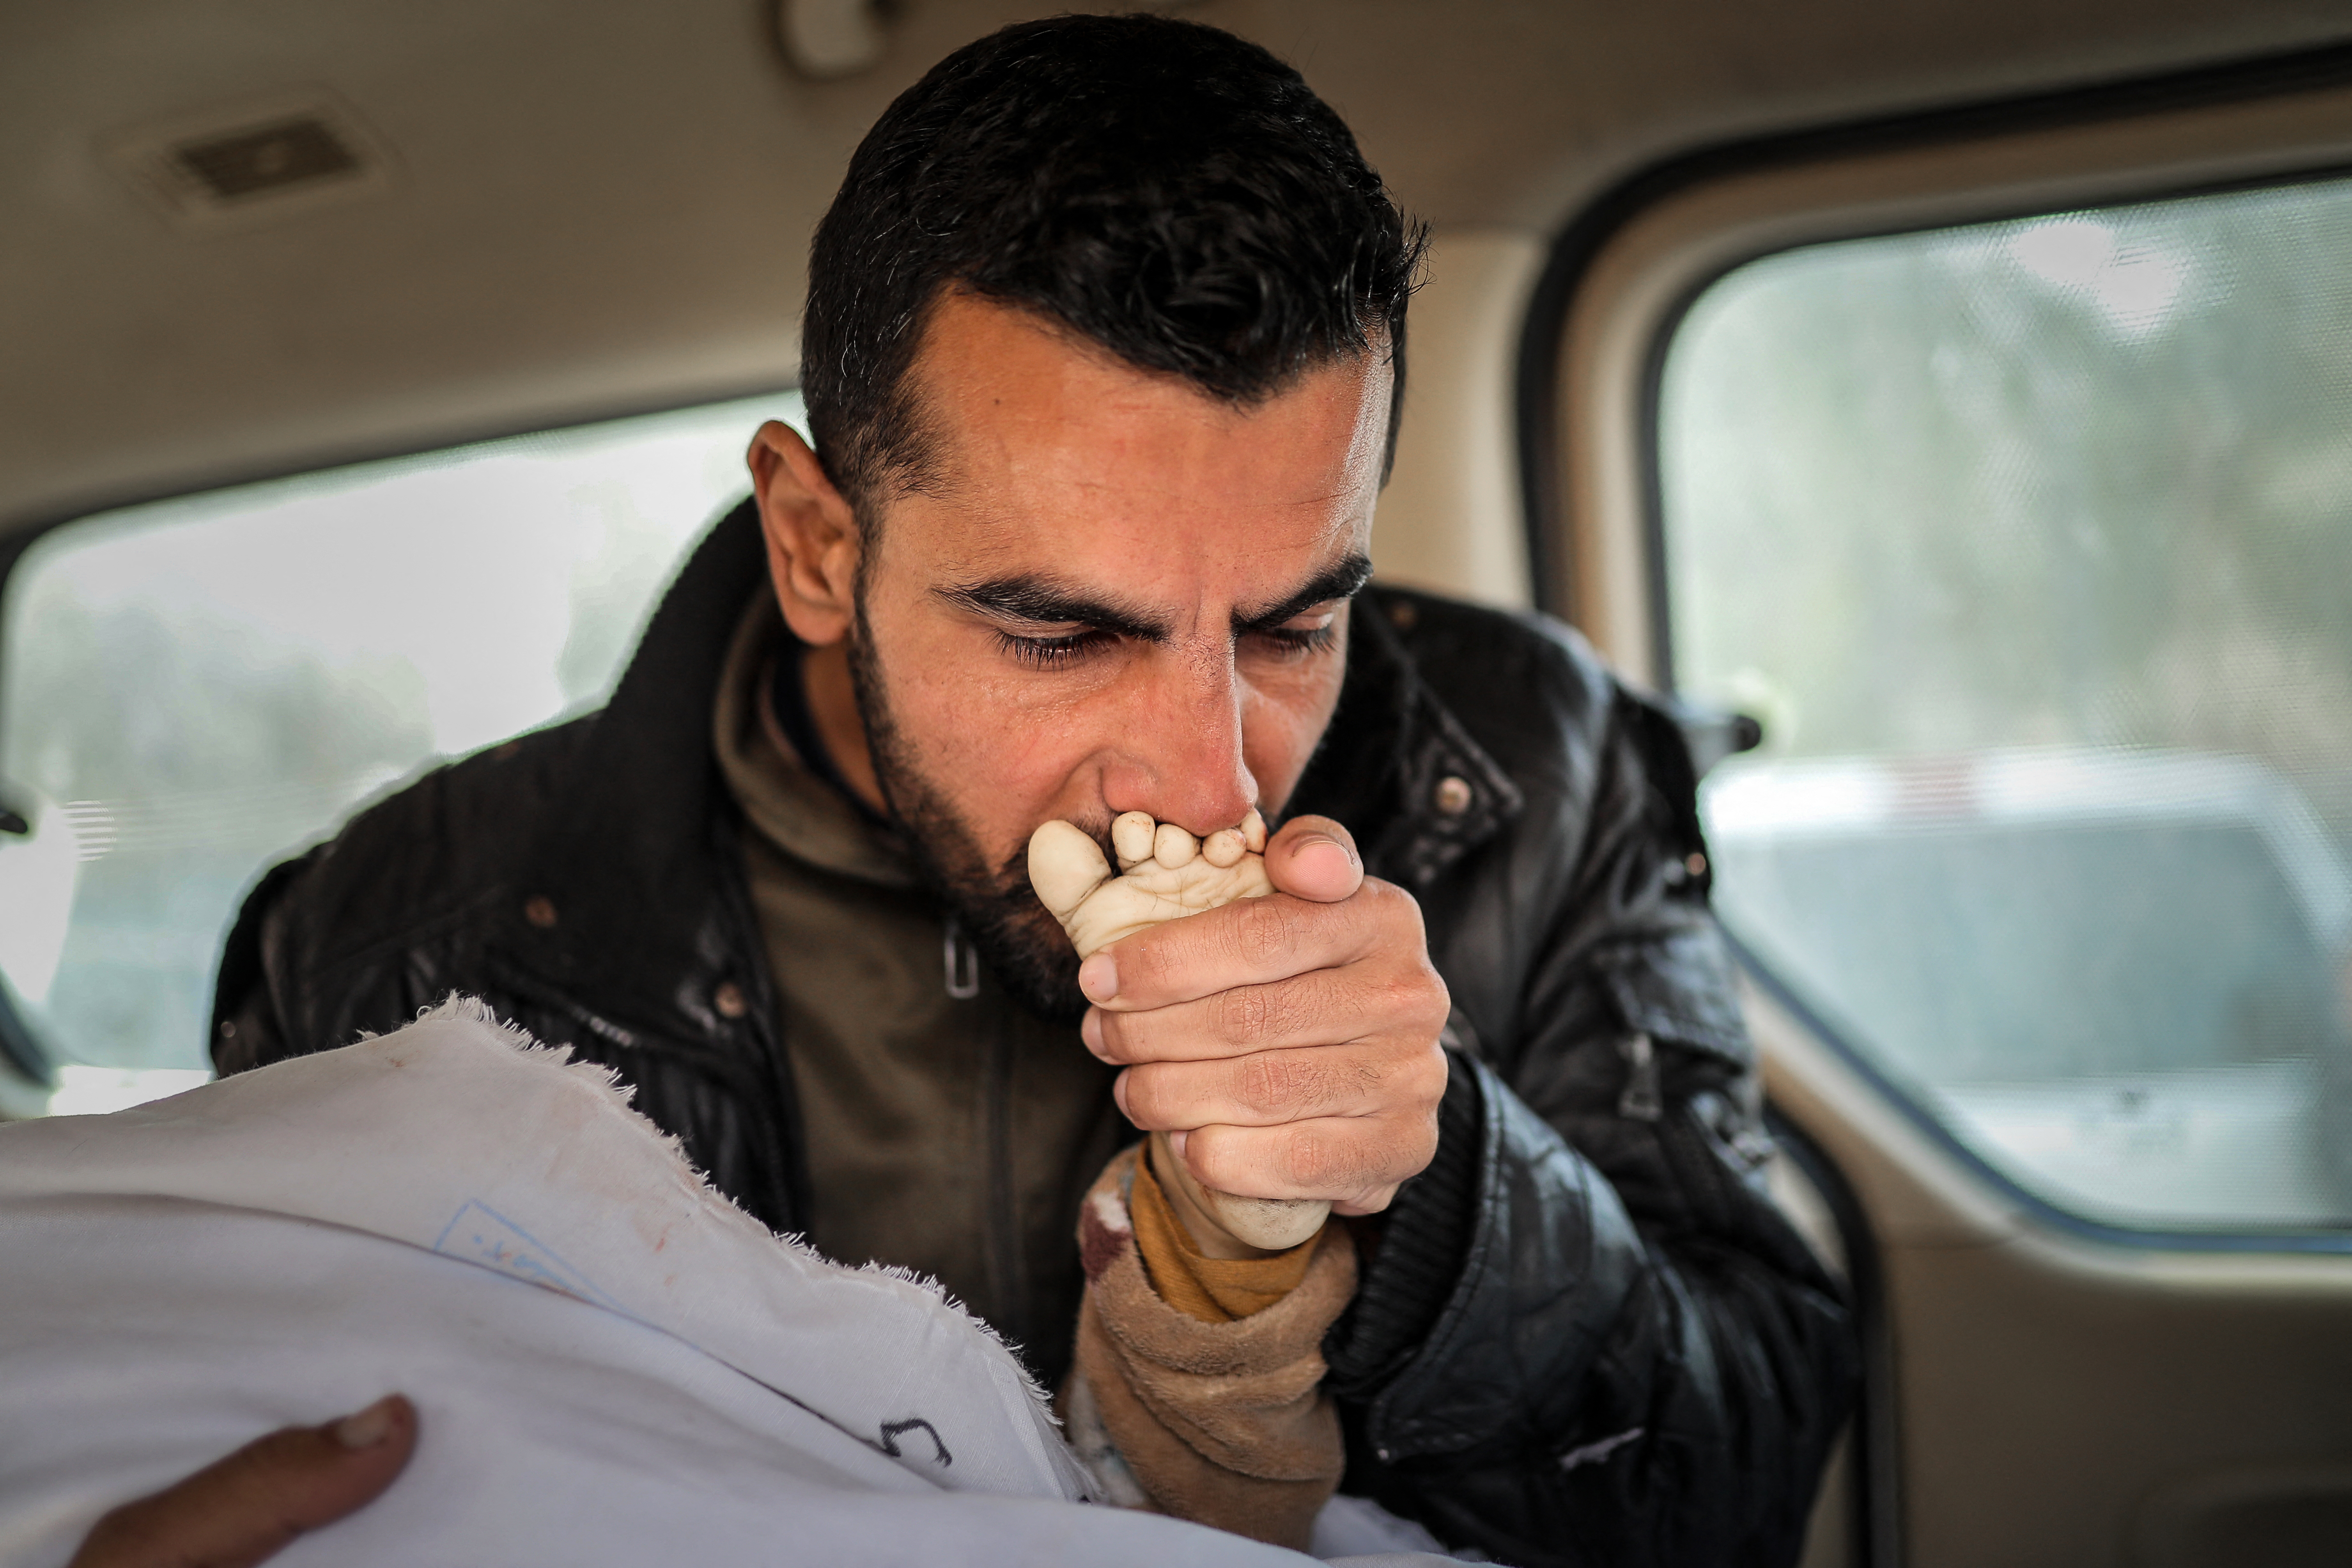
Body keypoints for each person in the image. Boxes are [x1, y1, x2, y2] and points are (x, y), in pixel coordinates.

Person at [187, 13, 1852, 1565]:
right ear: (816, 547)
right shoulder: (395, 941)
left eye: (1290, 624)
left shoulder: (1542, 770)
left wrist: (1440, 1182)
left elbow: (1745, 1477)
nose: (1205, 778)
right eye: (1060, 634)